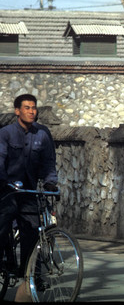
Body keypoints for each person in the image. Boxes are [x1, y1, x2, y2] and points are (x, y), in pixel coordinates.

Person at [0, 94, 58, 283]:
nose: (31, 111)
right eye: (27, 108)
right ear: (17, 111)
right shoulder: (6, 133)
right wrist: (3, 181)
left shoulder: (42, 134)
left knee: (33, 232)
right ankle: (5, 261)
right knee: (2, 226)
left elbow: (49, 161)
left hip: (29, 191)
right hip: (7, 190)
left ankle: (29, 273)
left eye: (33, 108)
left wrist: (50, 181)